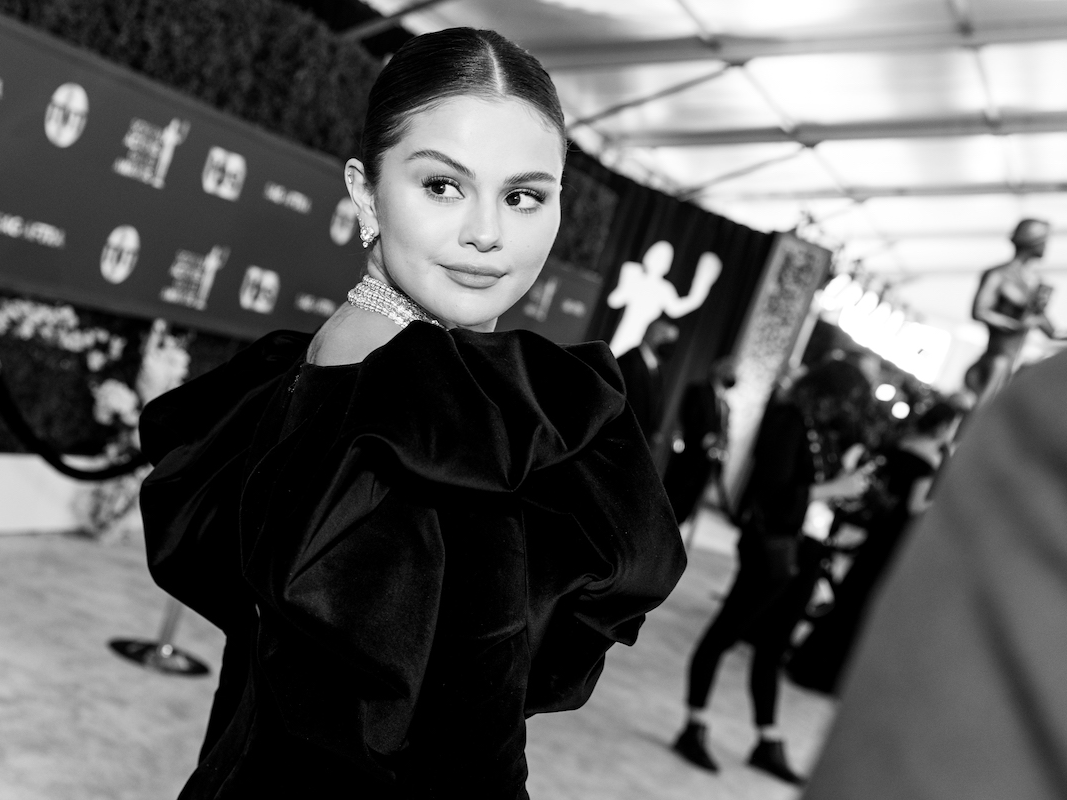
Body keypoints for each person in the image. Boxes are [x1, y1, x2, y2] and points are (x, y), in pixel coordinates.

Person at [137, 28, 686, 800]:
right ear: (365, 192)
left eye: (523, 195)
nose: (488, 234)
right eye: (442, 186)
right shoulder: (444, 418)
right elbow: (467, 757)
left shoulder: (334, 358)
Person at [804, 347, 1067, 800]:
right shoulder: (1049, 418)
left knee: (858, 601)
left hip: (890, 539)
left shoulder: (1043, 411)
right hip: (900, 537)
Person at [671, 360, 875, 786]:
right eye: (847, 400)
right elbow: (774, 489)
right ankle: (694, 724)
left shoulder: (820, 429)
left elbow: (815, 492)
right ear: (828, 392)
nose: (848, 409)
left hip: (803, 550)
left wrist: (846, 486)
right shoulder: (789, 419)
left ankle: (768, 738)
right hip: (773, 548)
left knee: (774, 646)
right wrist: (833, 489)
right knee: (725, 633)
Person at [785, 399, 962, 695]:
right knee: (864, 602)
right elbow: (916, 504)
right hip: (894, 539)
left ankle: (809, 663)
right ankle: (829, 674)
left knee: (852, 594)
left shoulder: (901, 443)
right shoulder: (928, 456)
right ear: (943, 425)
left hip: (878, 530)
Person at [963, 218, 1067, 407]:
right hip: (996, 360)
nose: (1047, 246)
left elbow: (1053, 333)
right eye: (1044, 240)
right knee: (983, 412)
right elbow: (980, 312)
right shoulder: (999, 274)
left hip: (1011, 365)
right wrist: (1018, 325)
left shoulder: (1035, 284)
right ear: (1032, 241)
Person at [664, 357, 735, 525]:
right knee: (675, 496)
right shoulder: (699, 390)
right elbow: (689, 416)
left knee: (689, 501)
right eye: (731, 371)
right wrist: (706, 437)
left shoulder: (723, 402)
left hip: (706, 461)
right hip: (690, 454)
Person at [615, 317, 679, 447]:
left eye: (673, 340)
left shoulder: (657, 370)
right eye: (666, 337)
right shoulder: (628, 361)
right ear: (651, 333)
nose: (669, 344)